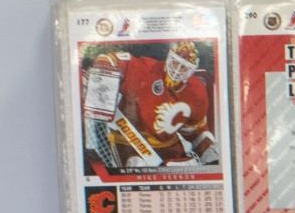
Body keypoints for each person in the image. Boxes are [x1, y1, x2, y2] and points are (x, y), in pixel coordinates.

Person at [85, 40, 220, 170]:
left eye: (184, 67)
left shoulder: (196, 91)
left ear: (191, 70)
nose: (177, 69)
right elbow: (111, 60)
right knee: (136, 166)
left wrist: (208, 151)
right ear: (169, 58)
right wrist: (104, 68)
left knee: (199, 163)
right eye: (175, 62)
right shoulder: (146, 69)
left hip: (169, 147)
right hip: (129, 143)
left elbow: (194, 131)